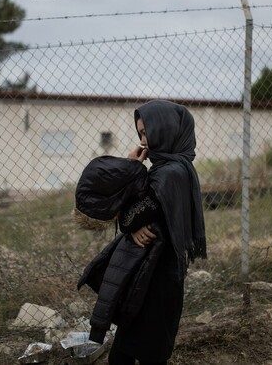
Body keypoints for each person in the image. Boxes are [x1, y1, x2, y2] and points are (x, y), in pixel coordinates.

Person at [106, 100, 207, 365]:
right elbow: (135, 217)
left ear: (165, 129)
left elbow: (130, 217)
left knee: (136, 355)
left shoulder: (169, 174)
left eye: (146, 131)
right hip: (154, 273)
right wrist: (133, 222)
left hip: (157, 278)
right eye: (139, 133)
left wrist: (131, 168)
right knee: (135, 351)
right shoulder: (172, 168)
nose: (143, 140)